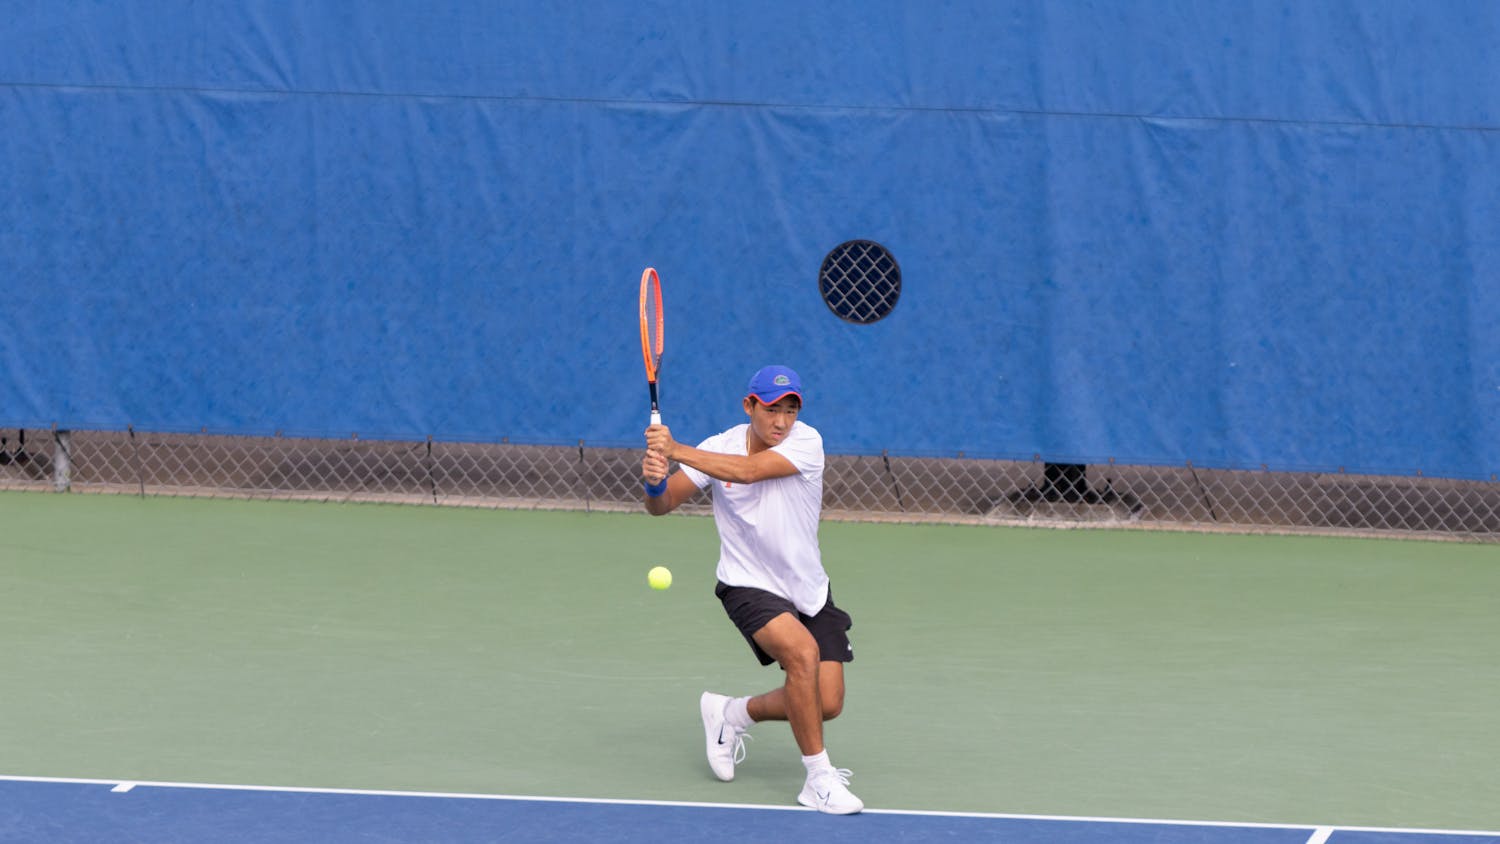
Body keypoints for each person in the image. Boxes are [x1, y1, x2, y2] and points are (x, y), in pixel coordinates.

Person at [640, 365, 862, 815]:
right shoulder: (718, 447)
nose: (781, 421)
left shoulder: (807, 442)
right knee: (801, 655)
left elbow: (746, 472)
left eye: (790, 410)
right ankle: (817, 779)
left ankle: (731, 714)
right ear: (749, 406)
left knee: (828, 702)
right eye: (771, 409)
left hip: (808, 587)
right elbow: (661, 506)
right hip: (747, 584)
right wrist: (655, 477)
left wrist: (677, 448)